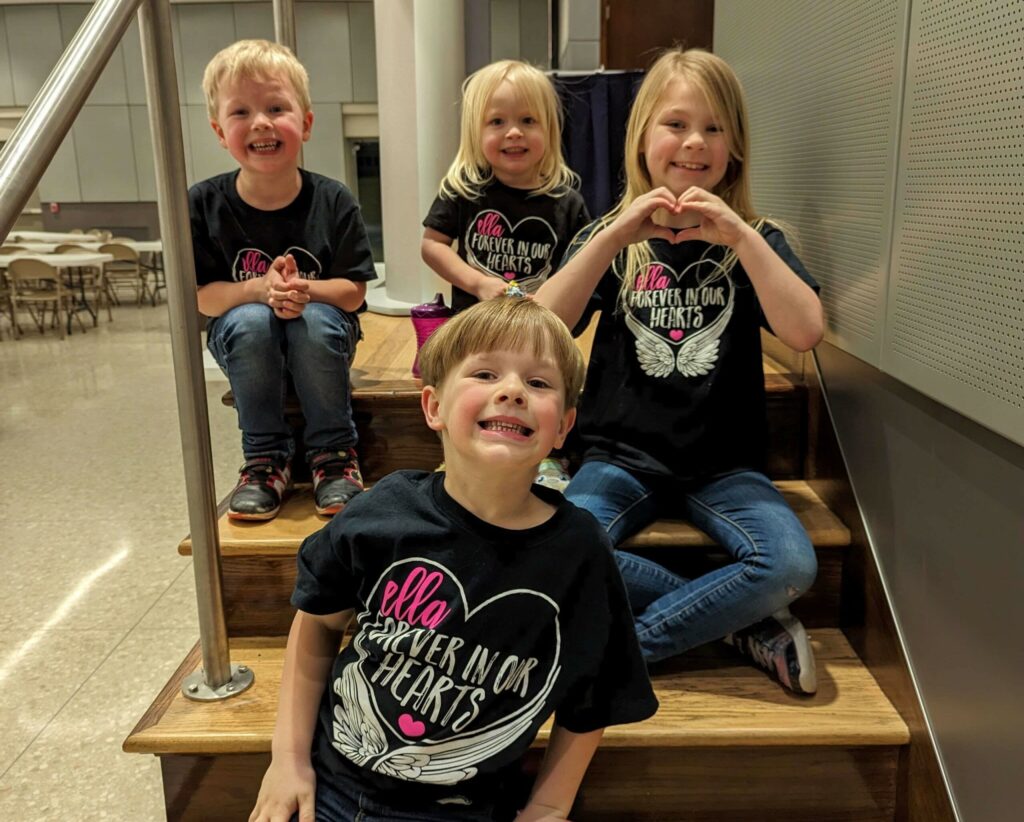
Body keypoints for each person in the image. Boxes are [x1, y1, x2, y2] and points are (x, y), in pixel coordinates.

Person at [250, 297, 658, 822]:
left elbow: (592, 698)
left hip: (463, 808)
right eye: (485, 373)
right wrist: (287, 760)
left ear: (563, 427)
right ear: (433, 407)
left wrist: (551, 805)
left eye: (538, 383)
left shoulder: (579, 551)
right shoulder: (383, 512)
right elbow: (319, 623)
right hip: (333, 787)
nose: (511, 391)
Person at [536, 48, 826, 695]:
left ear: (736, 148)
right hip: (617, 460)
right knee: (557, 544)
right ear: (642, 137)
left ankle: (619, 657)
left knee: (787, 566)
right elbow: (541, 329)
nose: (694, 142)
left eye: (714, 128)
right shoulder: (610, 236)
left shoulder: (757, 239)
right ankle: (741, 626)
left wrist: (743, 238)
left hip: (726, 467)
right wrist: (612, 237)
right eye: (675, 123)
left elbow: (805, 330)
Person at [190, 40, 377, 521]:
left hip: (322, 334)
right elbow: (204, 300)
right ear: (219, 131)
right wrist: (258, 289)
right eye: (241, 112)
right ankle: (264, 460)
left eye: (277, 108)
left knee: (313, 320)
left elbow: (353, 291)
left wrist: (304, 290)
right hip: (246, 338)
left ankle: (334, 456)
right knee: (251, 320)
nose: (260, 122)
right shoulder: (202, 204)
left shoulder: (334, 199)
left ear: (307, 124)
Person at [421, 60, 590, 491]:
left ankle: (548, 457)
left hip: (539, 332)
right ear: (476, 133)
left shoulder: (567, 202)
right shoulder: (464, 190)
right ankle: (458, 457)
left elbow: (577, 270)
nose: (513, 132)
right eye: (497, 121)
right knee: (466, 387)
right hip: (473, 328)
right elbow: (432, 245)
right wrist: (477, 282)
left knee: (544, 386)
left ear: (549, 130)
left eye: (527, 120)